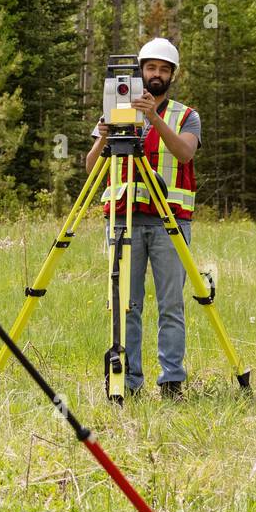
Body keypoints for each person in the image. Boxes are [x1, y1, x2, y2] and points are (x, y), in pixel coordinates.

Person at [85, 38, 201, 398]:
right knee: (126, 305)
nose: (156, 75)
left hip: (170, 221)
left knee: (171, 305)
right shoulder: (116, 109)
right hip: (125, 219)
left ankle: (171, 381)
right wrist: (102, 138)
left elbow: (183, 154)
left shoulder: (186, 115)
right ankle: (128, 381)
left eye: (163, 70)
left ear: (171, 76)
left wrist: (153, 117)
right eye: (151, 68)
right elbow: (91, 170)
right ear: (140, 70)